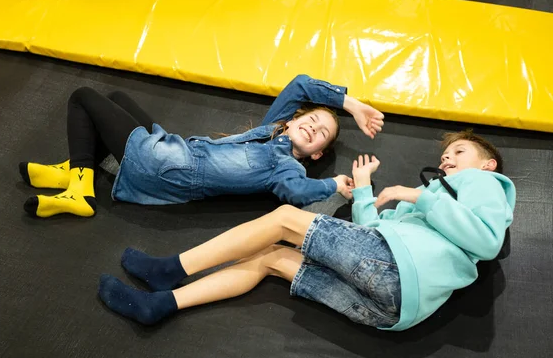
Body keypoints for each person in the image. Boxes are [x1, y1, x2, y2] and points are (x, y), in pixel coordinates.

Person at [97, 130, 516, 331]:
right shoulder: (432, 207)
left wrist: (415, 194)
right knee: (271, 259)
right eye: (444, 156)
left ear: (487, 163)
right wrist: (368, 191)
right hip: (395, 306)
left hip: (398, 270)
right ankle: (162, 304)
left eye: (457, 153)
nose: (446, 161)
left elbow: (487, 241)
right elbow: (369, 236)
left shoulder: (484, 184)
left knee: (284, 219)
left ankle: (171, 268)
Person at [18, 75, 385, 218]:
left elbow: (296, 191)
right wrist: (349, 105)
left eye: (320, 133)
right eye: (311, 118)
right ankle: (76, 166)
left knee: (83, 96)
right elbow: (301, 85)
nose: (312, 126)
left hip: (164, 164)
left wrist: (334, 184)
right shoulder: (270, 132)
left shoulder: (285, 164)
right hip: (174, 150)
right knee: (114, 97)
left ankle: (79, 187)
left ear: (316, 153)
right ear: (290, 120)